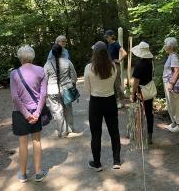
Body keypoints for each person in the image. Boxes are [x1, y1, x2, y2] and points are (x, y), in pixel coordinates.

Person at [10, 45, 48, 183]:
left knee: (22, 143)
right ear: (32, 56)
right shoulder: (41, 70)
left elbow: (15, 97)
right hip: (35, 111)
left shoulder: (14, 73)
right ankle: (38, 172)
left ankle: (23, 174)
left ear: (20, 57)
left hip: (20, 113)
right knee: (37, 141)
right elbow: (43, 94)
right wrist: (36, 113)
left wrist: (26, 114)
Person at [84, 41, 121, 171]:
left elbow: (87, 89)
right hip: (110, 100)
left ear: (95, 53)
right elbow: (113, 84)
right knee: (114, 132)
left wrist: (92, 96)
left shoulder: (89, 68)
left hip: (95, 102)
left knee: (96, 134)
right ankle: (116, 161)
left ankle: (97, 163)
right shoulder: (113, 66)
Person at [44, 44, 81, 138]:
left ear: (52, 53)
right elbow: (74, 77)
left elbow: (44, 80)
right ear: (62, 52)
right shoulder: (67, 61)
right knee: (68, 109)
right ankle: (70, 129)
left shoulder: (47, 64)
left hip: (52, 91)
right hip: (66, 89)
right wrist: (72, 84)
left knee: (57, 111)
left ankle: (62, 131)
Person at [131, 41, 155, 144]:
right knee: (149, 113)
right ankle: (149, 135)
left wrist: (132, 94)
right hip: (149, 90)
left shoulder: (139, 65)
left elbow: (136, 81)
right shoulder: (150, 63)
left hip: (141, 91)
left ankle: (139, 135)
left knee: (138, 112)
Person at [162, 37, 179, 133]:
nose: (164, 46)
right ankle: (174, 123)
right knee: (171, 104)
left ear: (170, 46)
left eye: (165, 44)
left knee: (175, 104)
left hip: (172, 84)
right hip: (169, 82)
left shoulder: (174, 56)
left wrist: (171, 84)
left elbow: (176, 71)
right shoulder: (171, 55)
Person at [104, 29, 127, 108]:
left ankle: (121, 102)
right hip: (109, 66)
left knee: (117, 84)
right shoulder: (108, 45)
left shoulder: (116, 44)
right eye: (106, 37)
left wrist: (119, 60)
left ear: (111, 36)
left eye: (107, 37)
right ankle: (115, 101)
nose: (106, 38)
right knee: (112, 84)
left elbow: (124, 53)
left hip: (115, 66)